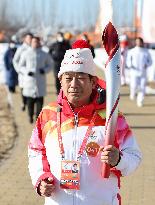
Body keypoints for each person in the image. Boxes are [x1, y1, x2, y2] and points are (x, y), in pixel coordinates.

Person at [28, 40, 142, 205]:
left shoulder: (111, 117)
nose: (74, 84)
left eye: (81, 78)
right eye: (68, 78)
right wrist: (40, 179)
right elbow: (35, 152)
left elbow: (134, 156)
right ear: (61, 81)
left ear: (93, 82)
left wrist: (119, 160)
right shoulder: (48, 114)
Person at [19, 36, 53, 123]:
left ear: (39, 43)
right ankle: (30, 116)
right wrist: (27, 71)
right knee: (30, 104)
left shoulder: (44, 54)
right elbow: (21, 66)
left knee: (39, 104)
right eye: (33, 42)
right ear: (31, 43)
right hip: (29, 82)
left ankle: (38, 119)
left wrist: (44, 70)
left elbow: (50, 65)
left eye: (37, 42)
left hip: (40, 82)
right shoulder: (26, 53)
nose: (35, 43)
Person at [127, 37, 152, 107]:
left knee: (142, 87)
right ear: (135, 42)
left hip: (143, 72)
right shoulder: (131, 51)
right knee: (134, 86)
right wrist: (130, 65)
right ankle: (133, 93)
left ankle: (140, 101)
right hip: (134, 72)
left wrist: (146, 64)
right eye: (137, 41)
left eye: (139, 42)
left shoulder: (146, 51)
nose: (138, 43)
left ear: (142, 42)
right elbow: (128, 61)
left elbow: (150, 62)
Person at [13, 32, 33, 111]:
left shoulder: (34, 48)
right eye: (29, 38)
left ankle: (29, 105)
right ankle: (23, 102)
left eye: (31, 38)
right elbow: (15, 60)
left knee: (30, 90)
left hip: (32, 74)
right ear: (25, 39)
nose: (30, 40)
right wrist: (19, 70)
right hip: (23, 74)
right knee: (23, 89)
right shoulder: (21, 49)